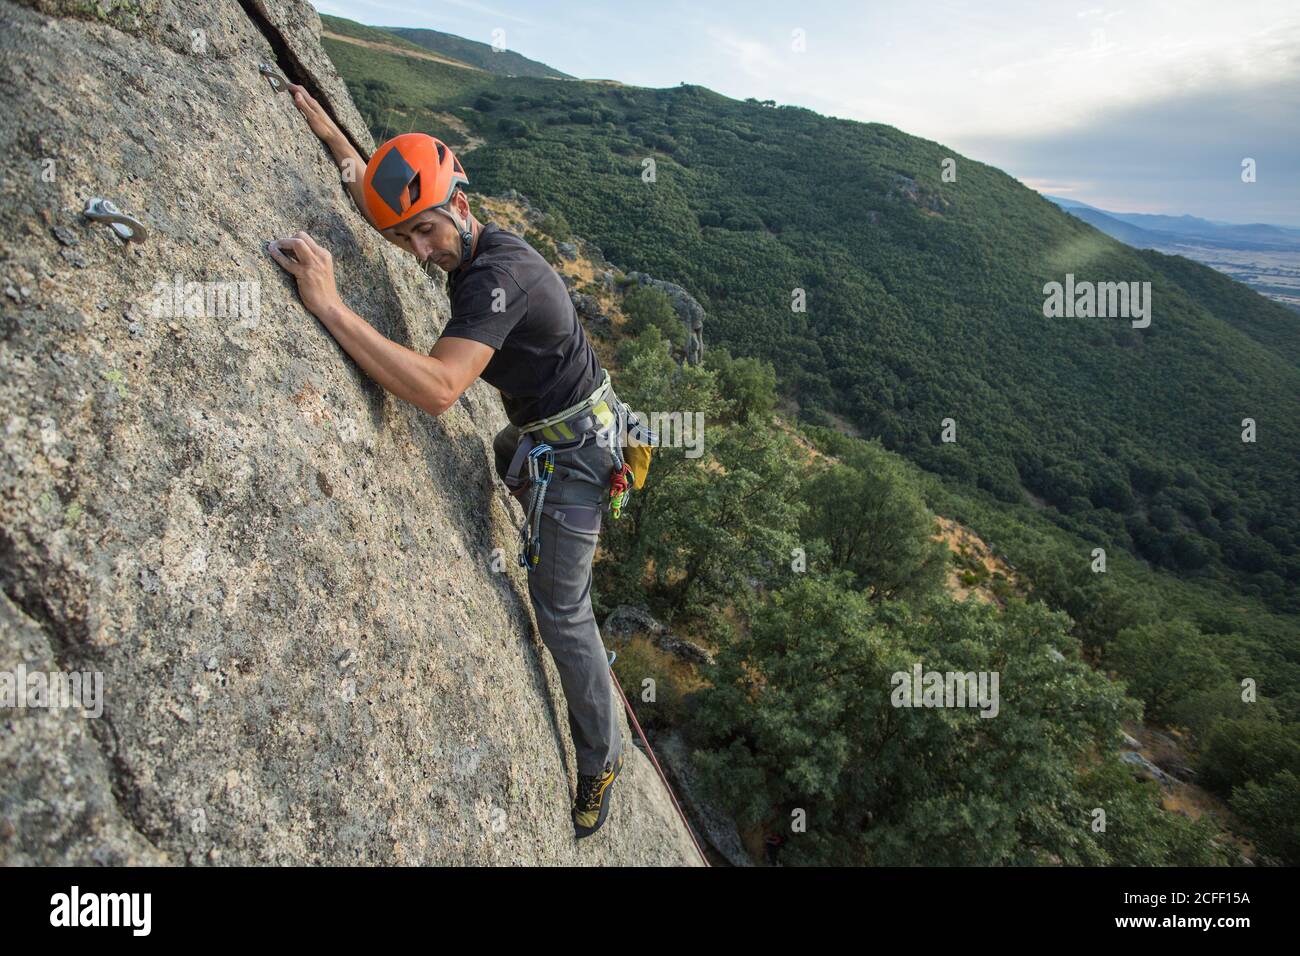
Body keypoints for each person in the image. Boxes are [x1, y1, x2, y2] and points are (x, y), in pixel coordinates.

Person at [269, 85, 624, 838]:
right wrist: (332, 132)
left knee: (560, 611)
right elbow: (386, 195)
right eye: (404, 239)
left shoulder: (499, 279)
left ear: (462, 204)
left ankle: (601, 759)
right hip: (547, 430)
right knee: (505, 454)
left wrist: (329, 305)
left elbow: (436, 390)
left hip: (580, 456)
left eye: (426, 232)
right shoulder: (456, 235)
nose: (419, 252)